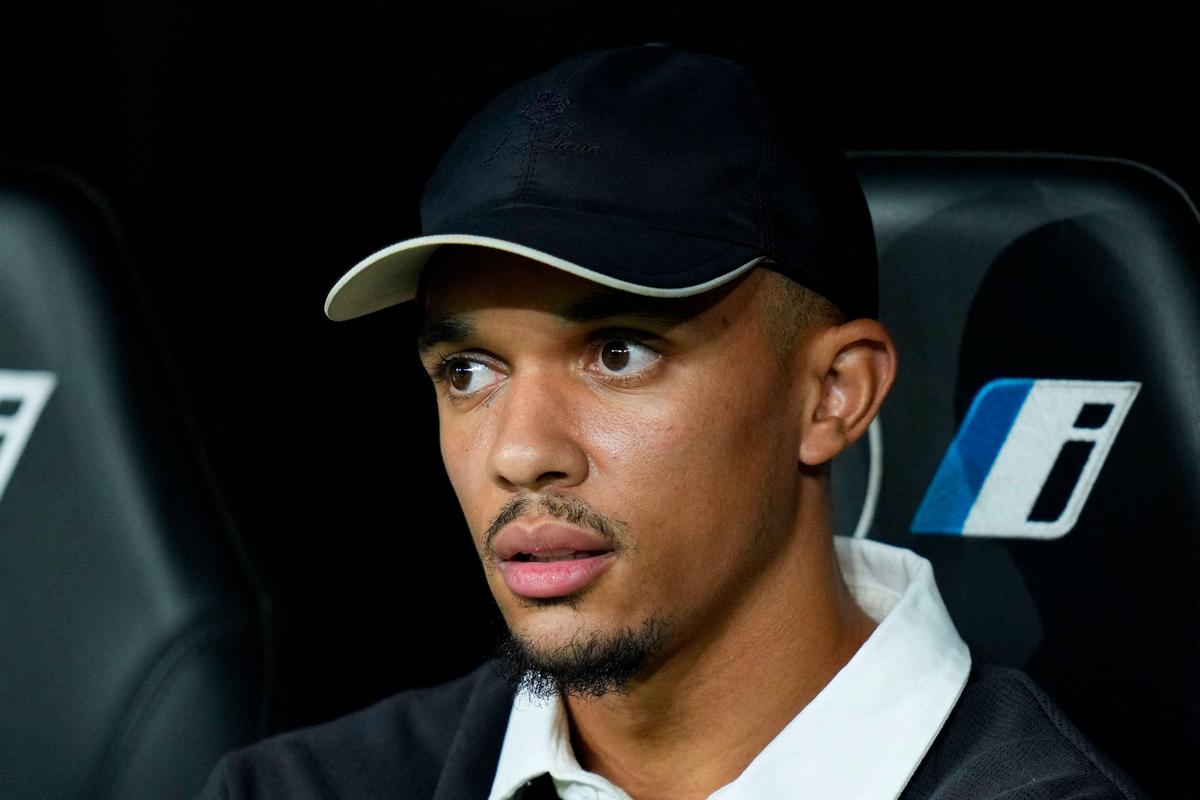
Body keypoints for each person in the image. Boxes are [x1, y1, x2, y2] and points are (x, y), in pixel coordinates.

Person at [198, 45, 1143, 799]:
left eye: (619, 353)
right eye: (468, 371)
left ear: (833, 394)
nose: (520, 452)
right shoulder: (293, 788)